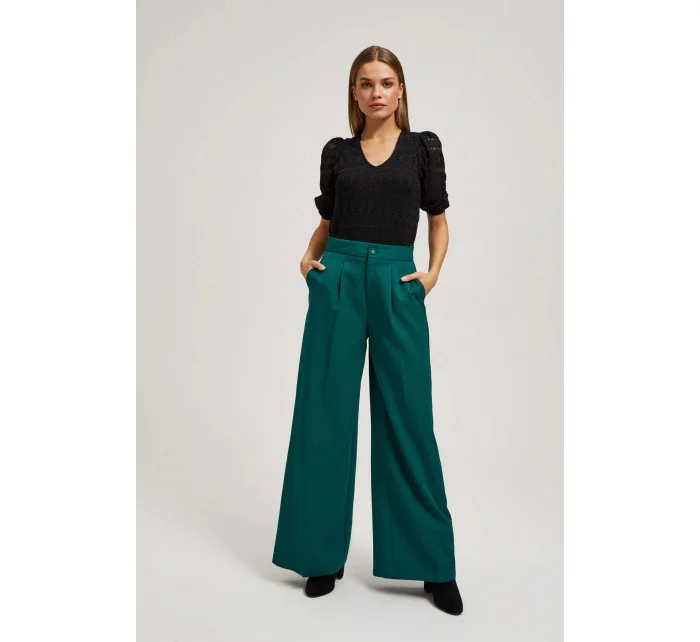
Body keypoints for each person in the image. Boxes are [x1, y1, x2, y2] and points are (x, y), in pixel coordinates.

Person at [272, 45, 463, 616]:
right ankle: (320, 556)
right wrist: (308, 260)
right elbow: (328, 221)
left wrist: (431, 275)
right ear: (354, 93)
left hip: (396, 281)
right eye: (365, 83)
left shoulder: (422, 149)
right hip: (338, 280)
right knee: (323, 413)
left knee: (409, 416)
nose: (375, 92)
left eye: (385, 82)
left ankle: (432, 564)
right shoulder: (338, 153)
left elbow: (438, 220)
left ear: (400, 89)